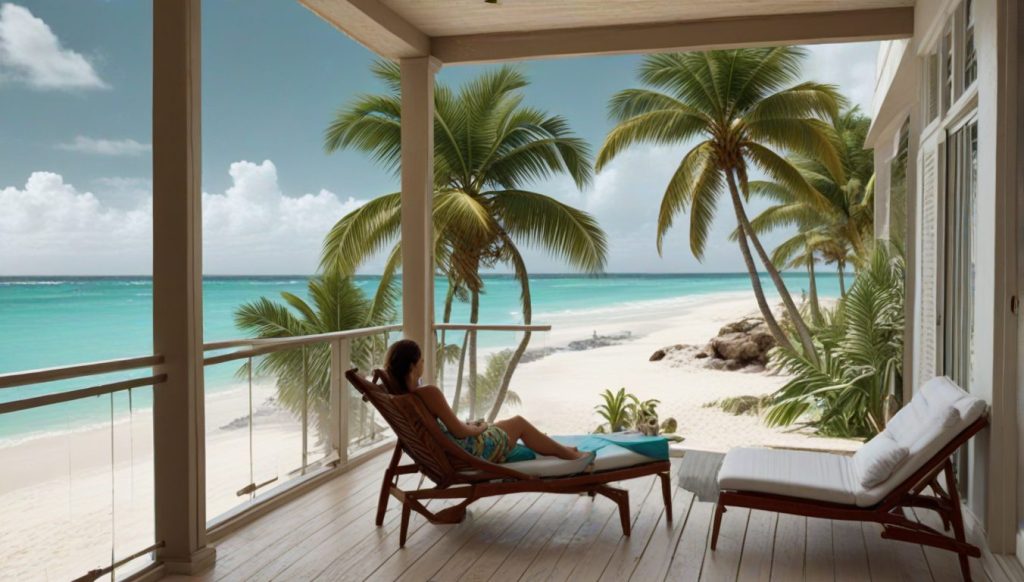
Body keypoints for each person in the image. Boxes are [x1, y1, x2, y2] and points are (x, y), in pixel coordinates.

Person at [384, 339, 589, 464]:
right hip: (470, 452)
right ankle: (570, 456)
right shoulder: (427, 393)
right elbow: (460, 432)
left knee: (503, 425)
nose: (423, 365)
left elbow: (451, 430)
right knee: (518, 423)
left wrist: (472, 427)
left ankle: (561, 449)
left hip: (451, 451)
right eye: (421, 361)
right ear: (412, 365)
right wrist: (479, 428)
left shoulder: (401, 397)